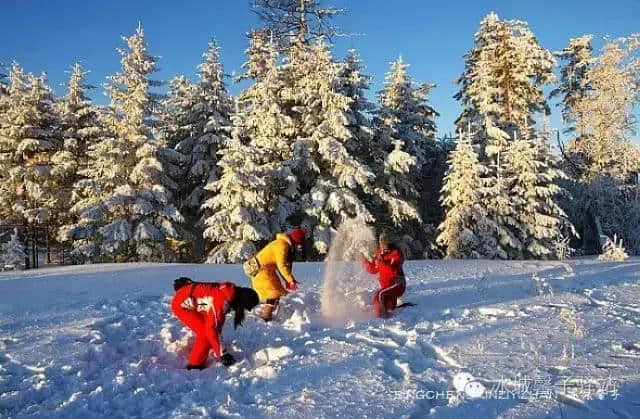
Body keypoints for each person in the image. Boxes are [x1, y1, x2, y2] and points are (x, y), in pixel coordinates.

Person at [171, 277, 259, 370]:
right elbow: (212, 328)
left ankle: (212, 346)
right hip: (181, 305)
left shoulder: (229, 292)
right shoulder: (221, 301)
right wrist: (222, 353)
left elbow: (217, 323)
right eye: (245, 307)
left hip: (196, 302)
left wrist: (217, 344)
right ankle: (194, 365)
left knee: (211, 332)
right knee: (205, 334)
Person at [250, 228, 306, 321]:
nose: (299, 246)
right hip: (261, 272)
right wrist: (290, 280)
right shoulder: (282, 246)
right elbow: (282, 265)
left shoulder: (284, 244)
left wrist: (289, 280)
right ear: (295, 240)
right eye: (298, 243)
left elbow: (284, 266)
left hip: (267, 271)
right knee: (273, 294)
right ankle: (265, 317)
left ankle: (272, 312)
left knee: (278, 290)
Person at [361, 232, 406, 318]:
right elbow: (374, 269)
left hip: (397, 284)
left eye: (384, 242)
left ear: (389, 243)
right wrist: (364, 261)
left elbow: (393, 265)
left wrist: (383, 259)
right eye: (381, 242)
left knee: (379, 295)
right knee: (386, 304)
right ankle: (384, 311)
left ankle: (381, 317)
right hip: (386, 286)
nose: (381, 244)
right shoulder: (379, 254)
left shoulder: (396, 253)